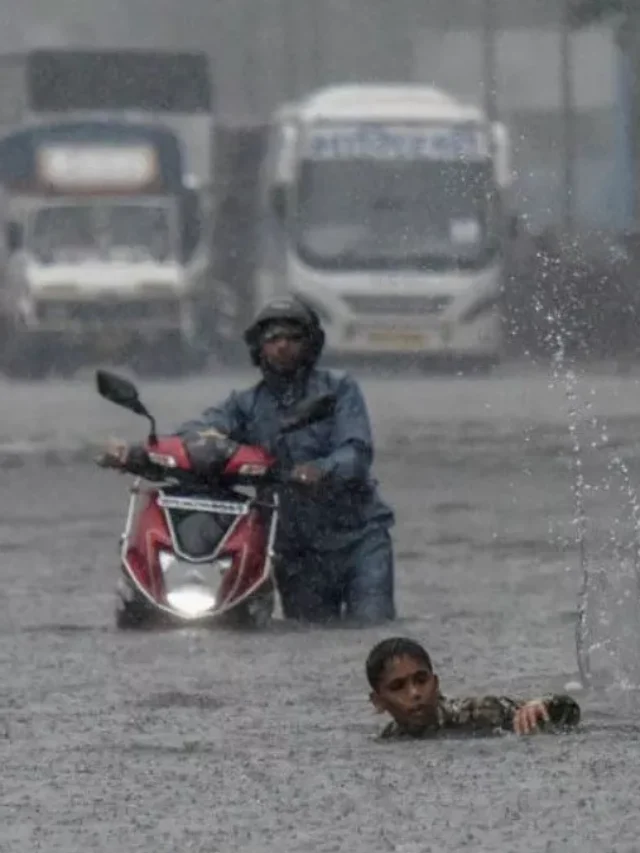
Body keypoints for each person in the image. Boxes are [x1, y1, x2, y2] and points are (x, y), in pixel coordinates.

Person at [100, 297, 396, 625]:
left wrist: (320, 470)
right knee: (311, 635)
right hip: (293, 548)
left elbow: (356, 452)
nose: (283, 346)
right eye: (273, 338)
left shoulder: (339, 390)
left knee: (374, 629)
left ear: (311, 344)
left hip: (358, 539)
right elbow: (198, 434)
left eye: (293, 337)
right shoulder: (246, 405)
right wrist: (138, 453)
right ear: (259, 347)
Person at [366, 637, 581, 739]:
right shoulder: (389, 739)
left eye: (421, 680)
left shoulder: (475, 712)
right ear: (379, 702)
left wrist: (541, 704)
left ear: (436, 683)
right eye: (398, 687)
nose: (414, 693)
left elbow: (569, 711)